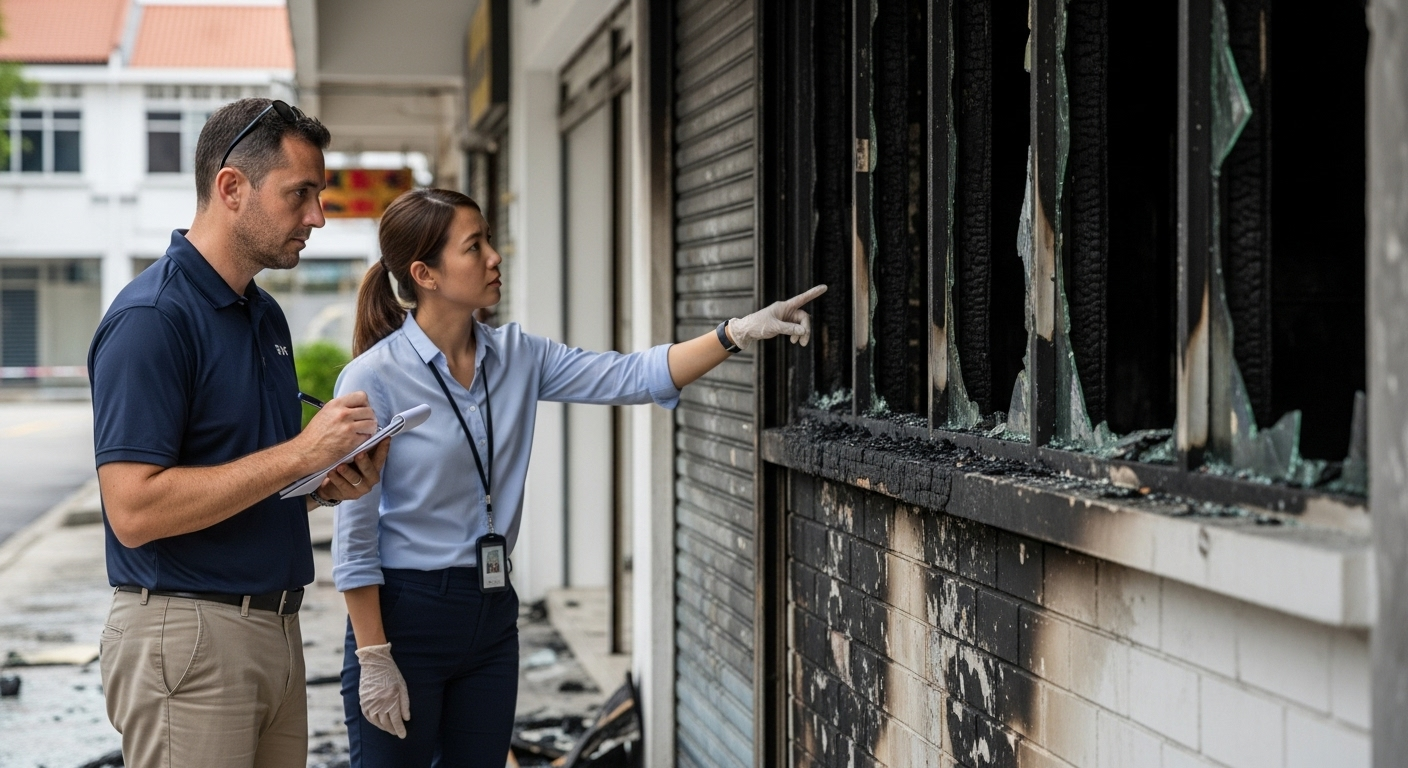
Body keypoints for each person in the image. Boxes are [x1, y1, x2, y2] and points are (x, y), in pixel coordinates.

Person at [332, 188, 825, 767]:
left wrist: (735, 333)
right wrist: (374, 656)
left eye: (489, 239)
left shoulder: (518, 355)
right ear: (426, 274)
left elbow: (632, 375)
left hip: (490, 617)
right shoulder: (373, 378)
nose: (495, 256)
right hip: (404, 617)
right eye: (475, 246)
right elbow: (355, 537)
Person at [89, 97, 392, 768]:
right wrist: (298, 453)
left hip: (275, 632)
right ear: (231, 187)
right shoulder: (152, 320)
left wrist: (324, 483)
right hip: (189, 636)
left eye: (320, 195)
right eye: (300, 194)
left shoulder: (265, 317)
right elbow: (133, 510)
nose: (318, 215)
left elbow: (251, 476)